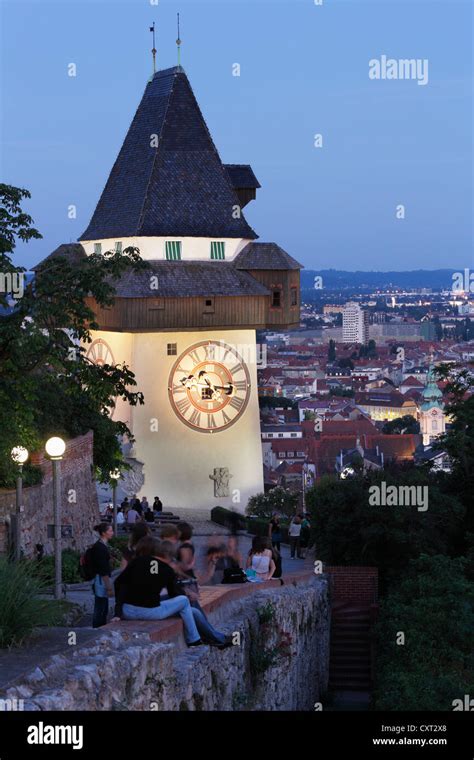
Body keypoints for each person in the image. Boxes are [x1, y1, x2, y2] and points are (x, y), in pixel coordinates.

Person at [114, 536, 202, 647]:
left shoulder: (136, 562)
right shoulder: (166, 568)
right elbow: (173, 594)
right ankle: (194, 639)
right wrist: (187, 594)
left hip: (127, 612)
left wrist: (118, 612)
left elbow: (119, 583)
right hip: (150, 613)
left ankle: (207, 636)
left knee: (193, 611)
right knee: (184, 601)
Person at [156, 540, 232, 649]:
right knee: (191, 605)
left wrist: (212, 563)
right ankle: (215, 638)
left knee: (193, 607)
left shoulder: (169, 568)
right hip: (160, 606)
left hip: (166, 603)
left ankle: (213, 637)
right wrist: (186, 593)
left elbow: (198, 579)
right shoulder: (160, 568)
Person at [90, 522, 114, 628]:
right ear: (104, 533)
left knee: (103, 606)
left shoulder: (102, 546)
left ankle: (100, 626)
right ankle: (97, 628)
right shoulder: (100, 548)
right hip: (100, 580)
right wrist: (108, 586)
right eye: (110, 531)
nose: (112, 533)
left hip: (101, 579)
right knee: (100, 606)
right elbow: (102, 568)